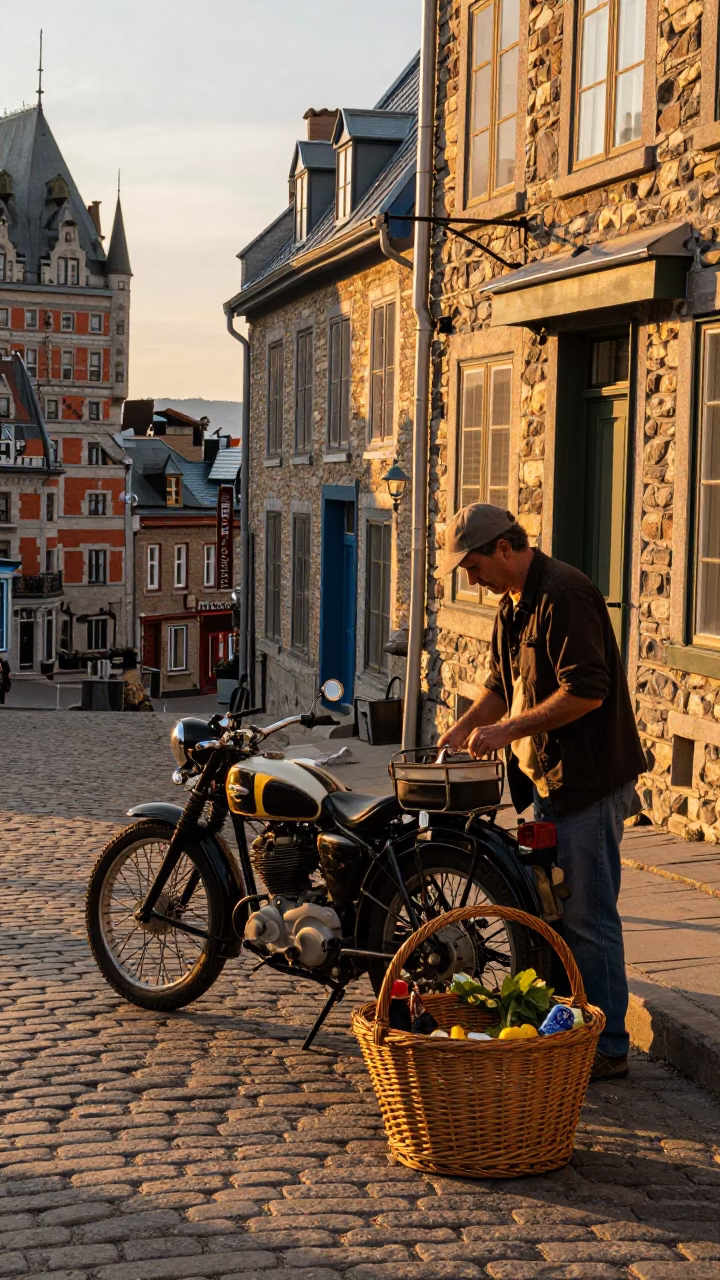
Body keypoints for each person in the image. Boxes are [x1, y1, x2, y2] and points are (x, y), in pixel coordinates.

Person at [436, 503, 646, 1081]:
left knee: (589, 916)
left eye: (474, 565)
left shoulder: (566, 593)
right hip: (547, 783)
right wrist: (461, 729)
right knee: (553, 912)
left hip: (588, 782)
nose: (471, 578)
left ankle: (608, 1047)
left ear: (505, 548)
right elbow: (501, 687)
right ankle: (570, 1032)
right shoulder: (511, 606)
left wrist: (508, 730)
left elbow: (588, 691)